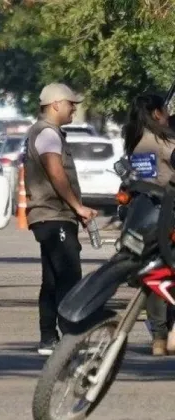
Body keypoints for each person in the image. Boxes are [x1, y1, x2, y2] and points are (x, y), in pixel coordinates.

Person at [24, 83, 98, 355]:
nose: (74, 108)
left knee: (53, 280)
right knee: (69, 276)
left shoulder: (43, 133)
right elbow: (55, 172)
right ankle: (71, 338)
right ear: (55, 104)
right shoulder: (47, 134)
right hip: (54, 215)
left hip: (47, 218)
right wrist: (78, 207)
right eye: (70, 103)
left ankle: (48, 338)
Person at [123, 93, 175, 356]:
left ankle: (158, 337)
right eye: (165, 110)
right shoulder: (164, 142)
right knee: (167, 273)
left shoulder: (135, 140)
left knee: (152, 276)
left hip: (140, 216)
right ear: (156, 113)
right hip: (167, 214)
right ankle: (170, 334)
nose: (168, 114)